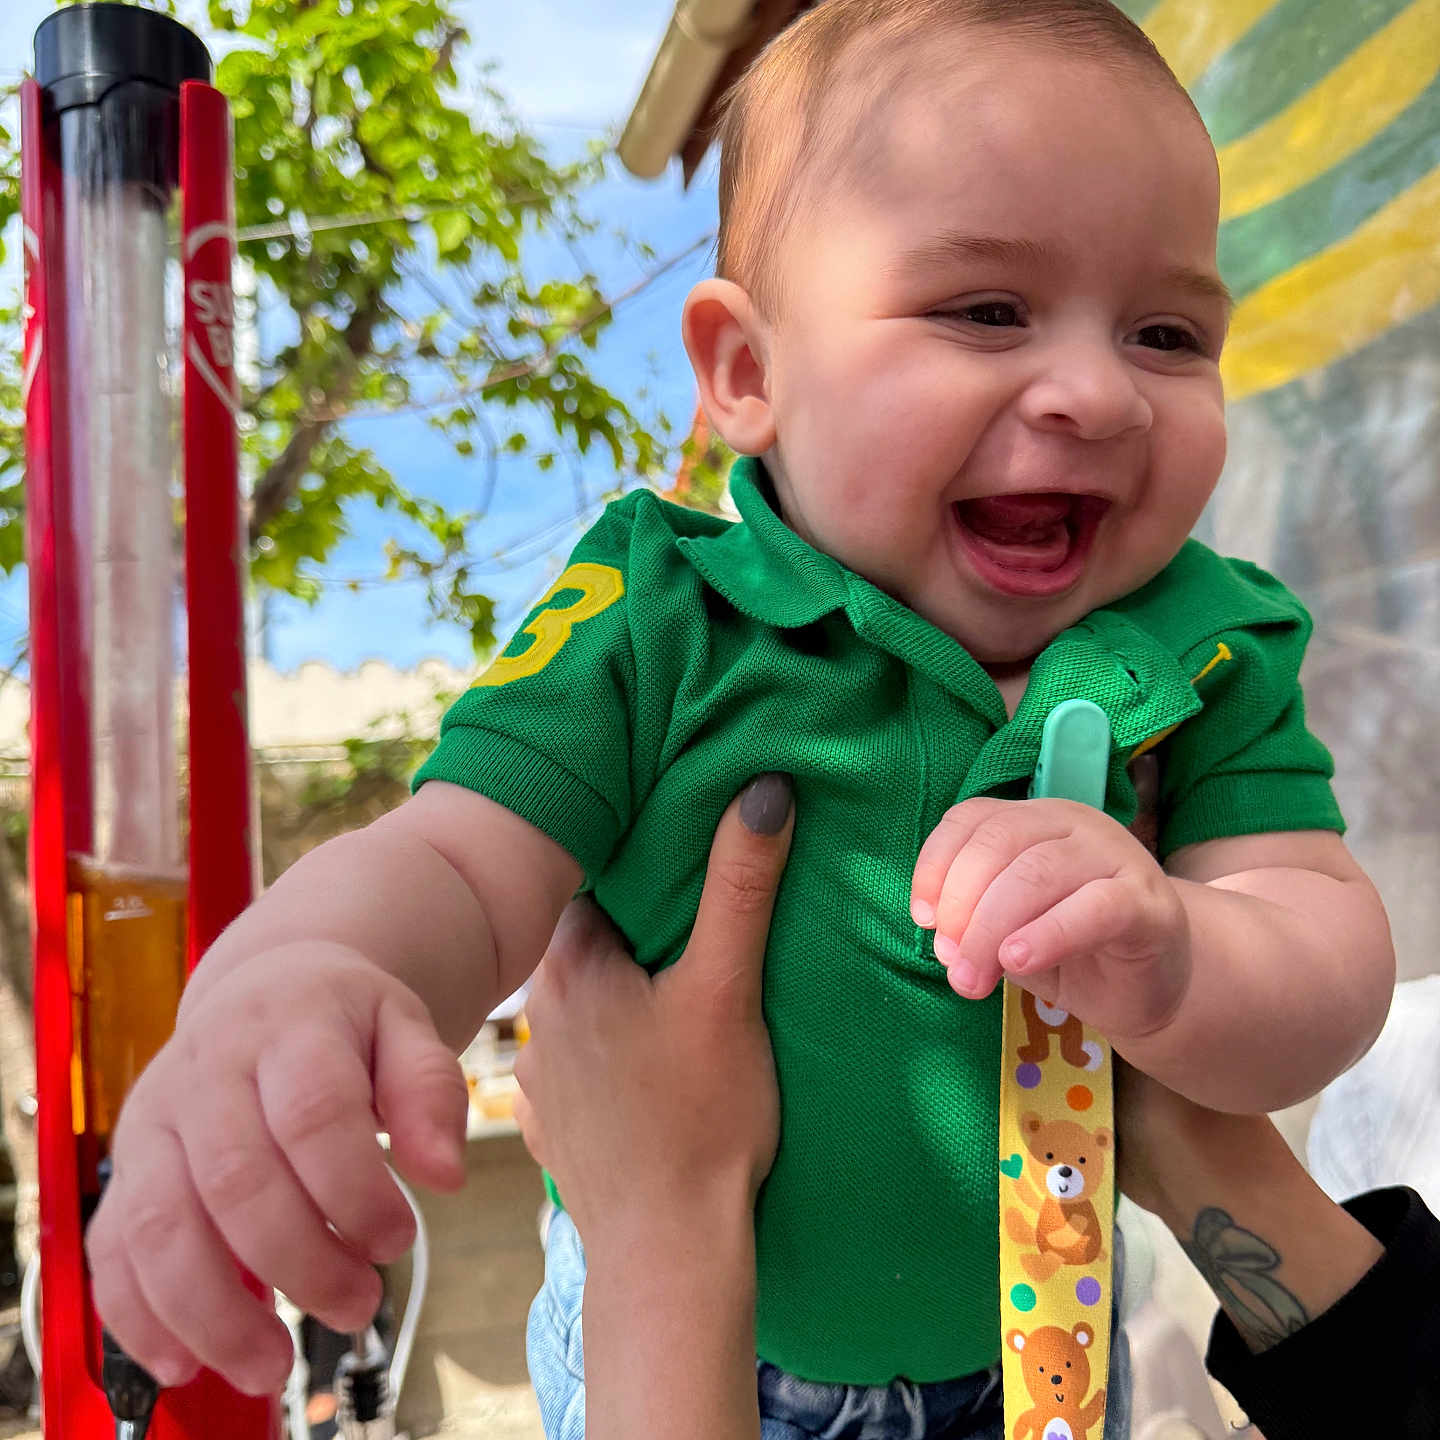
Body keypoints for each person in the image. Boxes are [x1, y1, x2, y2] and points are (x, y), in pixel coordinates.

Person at [87, 1, 1396, 1435]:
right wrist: (306, 971)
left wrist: (1183, 958)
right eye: (985, 310)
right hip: (705, 1365)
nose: (1096, 393)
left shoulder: (1206, 644)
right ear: (748, 374)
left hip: (1045, 1347)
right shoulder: (663, 615)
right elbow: (459, 863)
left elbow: (1321, 957)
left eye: (1166, 332)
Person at [513, 792, 1440, 1440]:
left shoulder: (1211, 630)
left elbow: (1324, 948)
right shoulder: (667, 596)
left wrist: (659, 1237)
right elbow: (472, 826)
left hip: (1014, 1358)